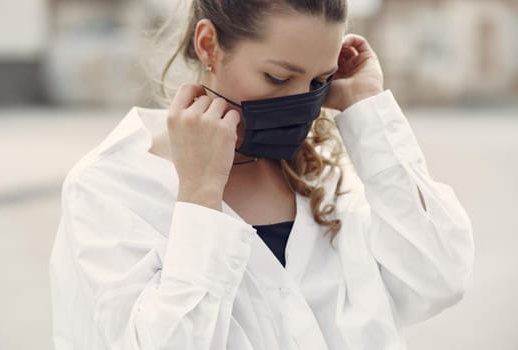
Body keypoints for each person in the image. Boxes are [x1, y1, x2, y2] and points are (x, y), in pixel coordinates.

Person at [49, 0, 475, 349]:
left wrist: (368, 110)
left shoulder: (329, 168)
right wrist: (199, 196)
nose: (299, 104)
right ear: (209, 46)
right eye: (278, 77)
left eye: (318, 83)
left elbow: (438, 279)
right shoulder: (109, 186)